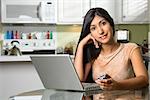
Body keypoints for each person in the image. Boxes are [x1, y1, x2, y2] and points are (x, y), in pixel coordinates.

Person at [74, 7, 149, 90]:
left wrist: (117, 85)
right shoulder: (93, 55)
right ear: (90, 33)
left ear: (111, 24)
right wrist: (81, 45)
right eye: (93, 28)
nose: (100, 31)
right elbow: (78, 81)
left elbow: (144, 79)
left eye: (103, 23)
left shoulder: (131, 49)